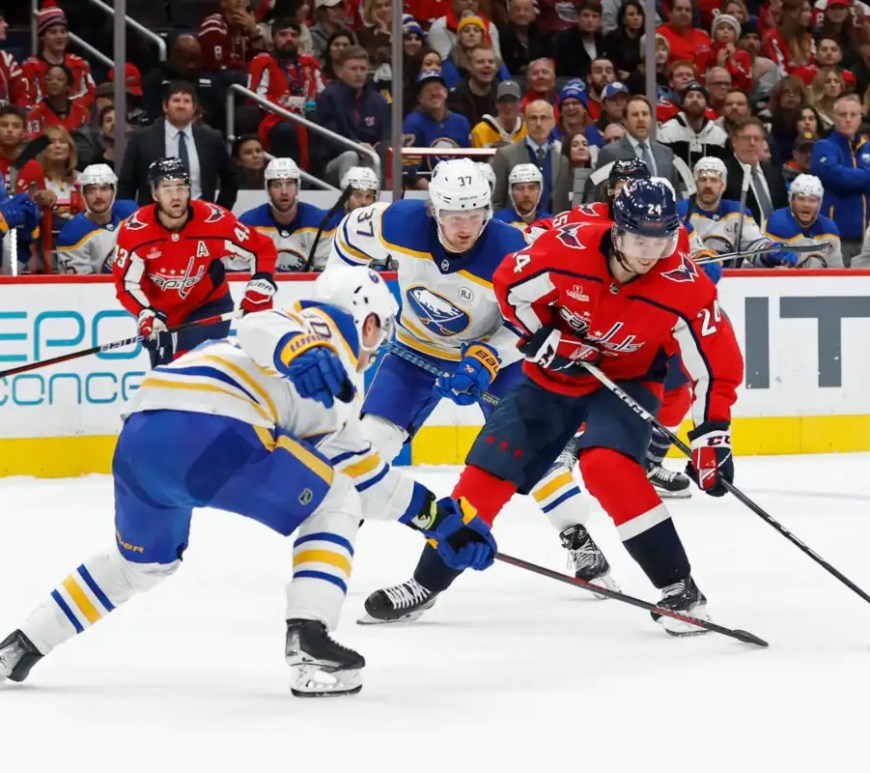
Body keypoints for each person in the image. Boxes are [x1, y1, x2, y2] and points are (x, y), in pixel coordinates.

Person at [0, 265, 497, 696]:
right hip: (215, 433)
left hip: (140, 438)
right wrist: (297, 349)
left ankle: (21, 646)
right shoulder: (317, 333)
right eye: (380, 333)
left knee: (140, 565)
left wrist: (441, 521)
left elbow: (371, 476)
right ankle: (310, 639)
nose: (377, 348)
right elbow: (263, 324)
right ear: (367, 321)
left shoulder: (328, 385)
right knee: (336, 500)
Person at [365, 179, 744, 632]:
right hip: (551, 378)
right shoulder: (569, 249)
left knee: (608, 467)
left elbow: (716, 366)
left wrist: (712, 434)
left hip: (626, 381)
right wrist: (543, 336)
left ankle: (681, 589)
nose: (649, 254)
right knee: (488, 470)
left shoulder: (685, 285)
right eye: (639, 241)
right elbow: (510, 286)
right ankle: (425, 583)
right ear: (617, 232)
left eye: (661, 242)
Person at [325, 159, 613, 623]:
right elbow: (344, 241)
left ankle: (577, 536)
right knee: (370, 446)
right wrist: (345, 297)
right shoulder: (398, 221)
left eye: (475, 215)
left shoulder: (511, 248)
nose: (465, 228)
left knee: (528, 455)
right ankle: (333, 542)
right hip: (414, 351)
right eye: (454, 216)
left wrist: (491, 355)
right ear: (434, 211)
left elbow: (537, 320)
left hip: (490, 360)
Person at [113, 158, 278, 368]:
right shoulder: (134, 232)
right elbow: (126, 285)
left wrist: (260, 284)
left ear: (189, 189)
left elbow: (261, 249)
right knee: (165, 376)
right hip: (161, 313)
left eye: (180, 187)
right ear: (155, 195)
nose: (175, 196)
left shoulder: (215, 221)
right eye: (167, 189)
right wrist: (146, 313)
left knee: (193, 367)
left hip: (208, 305)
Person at [117, 82, 239, 210]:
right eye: (176, 100)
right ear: (165, 106)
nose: (181, 106)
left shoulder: (211, 138)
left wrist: (218, 212)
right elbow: (126, 185)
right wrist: (133, 217)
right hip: (154, 216)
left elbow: (230, 181)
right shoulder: (142, 138)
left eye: (186, 101)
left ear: (194, 108)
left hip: (201, 215)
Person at [679, 156, 797, 270]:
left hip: (732, 280)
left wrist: (770, 251)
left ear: (723, 185)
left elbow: (754, 245)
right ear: (695, 184)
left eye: (714, 180)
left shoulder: (737, 212)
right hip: (692, 279)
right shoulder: (680, 211)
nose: (708, 185)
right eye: (703, 180)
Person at [238, 157, 343, 273]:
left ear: (298, 187)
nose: (284, 192)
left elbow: (328, 274)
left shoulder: (321, 224)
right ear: (268, 189)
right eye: (277, 185)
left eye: (289, 184)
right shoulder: (247, 225)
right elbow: (238, 274)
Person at [248, 18, 325, 171]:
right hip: (275, 117)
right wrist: (291, 107)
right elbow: (258, 97)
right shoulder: (264, 63)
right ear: (273, 38)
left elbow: (322, 94)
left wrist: (305, 106)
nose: (289, 39)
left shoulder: (309, 64)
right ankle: (288, 175)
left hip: (307, 113)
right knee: (287, 130)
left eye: (294, 35)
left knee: (317, 121)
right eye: (283, 34)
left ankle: (313, 178)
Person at [314, 45, 389, 187]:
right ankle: (350, 199)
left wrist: (376, 149)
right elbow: (329, 140)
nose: (359, 74)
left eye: (363, 69)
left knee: (379, 157)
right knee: (351, 156)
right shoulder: (329, 97)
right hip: (336, 160)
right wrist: (356, 146)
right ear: (340, 72)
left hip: (370, 160)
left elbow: (386, 137)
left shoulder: (379, 101)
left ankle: (377, 200)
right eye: (353, 69)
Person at [591, 95, 681, 199]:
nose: (641, 119)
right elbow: (600, 196)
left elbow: (676, 195)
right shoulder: (609, 153)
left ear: (651, 119)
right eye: (635, 115)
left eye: (645, 114)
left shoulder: (666, 153)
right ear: (624, 120)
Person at [56, 164, 137, 274]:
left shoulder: (131, 214)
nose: (98, 195)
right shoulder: (72, 234)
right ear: (83, 194)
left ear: (114, 191)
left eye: (104, 189)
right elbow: (82, 284)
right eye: (91, 190)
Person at [491, 100, 569, 212]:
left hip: (552, 222)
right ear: (525, 121)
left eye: (544, 118)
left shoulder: (562, 161)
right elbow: (495, 201)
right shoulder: (505, 155)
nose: (538, 124)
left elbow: (563, 204)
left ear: (553, 122)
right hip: (514, 222)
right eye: (533, 118)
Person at [21, 4, 94, 109]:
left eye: (63, 31)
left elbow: (91, 95)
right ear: (42, 36)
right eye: (53, 32)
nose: (59, 36)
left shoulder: (79, 64)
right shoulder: (30, 67)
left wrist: (69, 111)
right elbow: (25, 102)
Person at [763, 173, 843, 268]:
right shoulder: (775, 225)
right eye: (801, 199)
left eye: (812, 200)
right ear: (791, 200)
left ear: (820, 204)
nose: (806, 205)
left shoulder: (829, 229)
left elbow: (836, 270)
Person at [724, 117, 789, 228]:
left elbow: (783, 209)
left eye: (757, 139)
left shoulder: (774, 173)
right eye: (747, 138)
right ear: (734, 141)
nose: (752, 143)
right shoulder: (724, 173)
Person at [658, 82, 729, 169]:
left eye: (699, 96)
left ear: (706, 105)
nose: (695, 100)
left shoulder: (719, 136)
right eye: (690, 96)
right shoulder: (667, 132)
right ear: (682, 103)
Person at [198, 0, 267, 73]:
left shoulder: (247, 28)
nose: (240, 1)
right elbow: (220, 65)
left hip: (243, 76)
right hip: (217, 77)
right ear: (223, 2)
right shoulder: (213, 24)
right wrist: (254, 67)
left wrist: (254, 33)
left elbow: (262, 60)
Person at [24, 63, 90, 138]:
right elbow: (34, 141)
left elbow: (86, 140)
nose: (54, 82)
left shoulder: (81, 112)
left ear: (68, 86)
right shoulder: (36, 113)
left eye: (60, 79)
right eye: (49, 79)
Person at [470, 79, 527, 148]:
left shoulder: (528, 130)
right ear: (496, 104)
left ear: (520, 103)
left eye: (513, 101)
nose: (508, 106)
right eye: (504, 101)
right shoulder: (480, 131)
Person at [492, 163, 552, 228]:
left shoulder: (551, 223)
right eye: (519, 188)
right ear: (511, 191)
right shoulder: (497, 222)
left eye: (532, 188)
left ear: (540, 190)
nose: (526, 194)